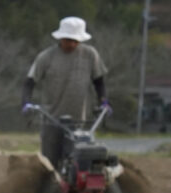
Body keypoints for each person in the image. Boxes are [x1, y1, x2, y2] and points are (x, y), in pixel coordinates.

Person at [22, 17, 109, 172]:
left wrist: (104, 102)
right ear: (61, 38)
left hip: (79, 121)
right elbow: (29, 82)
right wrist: (26, 102)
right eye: (69, 40)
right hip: (52, 118)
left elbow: (99, 82)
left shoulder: (90, 55)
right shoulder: (46, 57)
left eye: (76, 41)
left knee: (83, 161)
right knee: (50, 163)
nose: (72, 44)